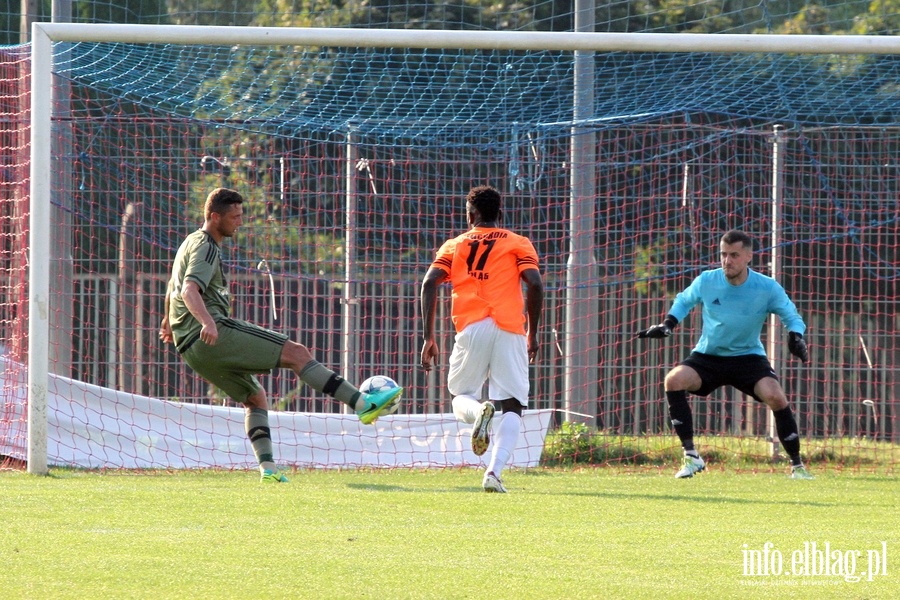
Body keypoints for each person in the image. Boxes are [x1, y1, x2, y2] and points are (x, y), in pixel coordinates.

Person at [159, 188, 402, 483]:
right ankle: (363, 405)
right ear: (214, 217)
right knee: (297, 353)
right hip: (211, 334)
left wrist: (168, 323)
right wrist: (207, 322)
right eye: (234, 217)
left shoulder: (189, 243)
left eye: (241, 216)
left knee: (255, 397)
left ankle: (269, 469)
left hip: (191, 349)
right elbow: (187, 290)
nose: (240, 222)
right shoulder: (206, 245)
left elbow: (172, 288)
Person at [637, 230, 813, 480]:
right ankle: (691, 457)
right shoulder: (707, 280)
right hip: (709, 356)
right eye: (723, 254)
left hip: (748, 358)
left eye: (734, 255)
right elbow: (684, 300)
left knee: (775, 396)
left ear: (748, 257)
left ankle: (798, 467)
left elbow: (791, 315)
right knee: (673, 380)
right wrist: (668, 324)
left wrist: (796, 335)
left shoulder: (766, 287)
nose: (727, 261)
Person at [419, 185, 544, 493]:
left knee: (461, 395)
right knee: (513, 405)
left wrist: (428, 337)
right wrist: (534, 332)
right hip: (509, 328)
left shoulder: (455, 245)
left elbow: (429, 283)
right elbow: (536, 283)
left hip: (472, 326)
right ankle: (494, 473)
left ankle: (478, 413)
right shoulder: (518, 243)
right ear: (499, 213)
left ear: (470, 214)